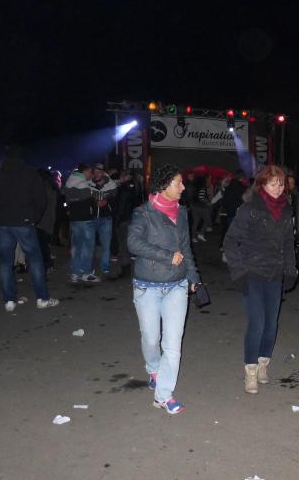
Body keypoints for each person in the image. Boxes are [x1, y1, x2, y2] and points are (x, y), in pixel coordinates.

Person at [128, 164, 200, 415]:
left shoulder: (182, 213)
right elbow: (133, 243)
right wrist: (167, 256)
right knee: (151, 339)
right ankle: (153, 369)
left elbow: (186, 248)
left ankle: (164, 395)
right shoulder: (144, 213)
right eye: (178, 183)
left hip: (177, 285)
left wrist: (193, 277)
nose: (183, 187)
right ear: (163, 185)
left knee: (172, 344)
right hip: (147, 286)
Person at [223, 165, 297, 395]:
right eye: (273, 184)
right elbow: (230, 241)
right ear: (262, 184)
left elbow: (288, 243)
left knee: (271, 324)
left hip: (275, 274)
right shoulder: (249, 208)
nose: (278, 188)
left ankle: (264, 364)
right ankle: (251, 371)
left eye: (281, 184)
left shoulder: (286, 210)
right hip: (252, 273)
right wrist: (239, 272)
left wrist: (290, 270)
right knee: (257, 322)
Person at [0, 145, 59, 311]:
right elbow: (41, 199)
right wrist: (33, 218)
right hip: (24, 222)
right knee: (35, 260)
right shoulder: (30, 173)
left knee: (6, 262)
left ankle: (9, 301)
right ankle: (42, 298)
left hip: (4, 223)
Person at [64, 163, 99, 283]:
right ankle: (86, 273)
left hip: (74, 219)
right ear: (86, 171)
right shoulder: (83, 184)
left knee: (76, 247)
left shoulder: (69, 181)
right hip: (85, 219)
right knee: (88, 247)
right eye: (90, 172)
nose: (91, 175)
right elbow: (90, 202)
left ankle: (75, 273)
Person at [113, 169, 143, 279]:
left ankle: (125, 268)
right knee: (126, 244)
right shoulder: (135, 187)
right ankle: (127, 268)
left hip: (124, 219)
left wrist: (117, 220)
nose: (120, 178)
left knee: (123, 245)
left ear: (126, 177)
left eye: (122, 176)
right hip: (131, 218)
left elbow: (121, 206)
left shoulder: (124, 189)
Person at [90, 163, 117, 275]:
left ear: (103, 172)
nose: (97, 174)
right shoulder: (89, 183)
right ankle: (89, 267)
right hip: (91, 218)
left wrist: (107, 202)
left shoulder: (111, 185)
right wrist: (93, 202)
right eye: (95, 172)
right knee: (90, 244)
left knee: (106, 244)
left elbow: (116, 201)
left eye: (99, 172)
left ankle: (105, 266)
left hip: (106, 218)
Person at [36, 169, 58, 272]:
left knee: (42, 245)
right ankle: (47, 264)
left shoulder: (45, 187)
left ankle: (47, 265)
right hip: (47, 219)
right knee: (44, 244)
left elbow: (41, 204)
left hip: (42, 220)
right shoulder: (51, 186)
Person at [190, 175, 212, 243]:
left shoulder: (195, 188)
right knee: (207, 220)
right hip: (202, 207)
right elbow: (201, 198)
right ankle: (201, 234)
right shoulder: (202, 188)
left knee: (195, 222)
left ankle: (193, 237)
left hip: (194, 207)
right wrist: (207, 201)